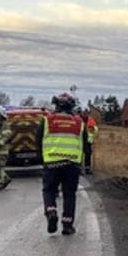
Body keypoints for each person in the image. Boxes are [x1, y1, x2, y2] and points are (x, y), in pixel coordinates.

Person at [40, 93, 86, 235]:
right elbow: (84, 145)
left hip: (52, 163)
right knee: (69, 194)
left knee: (49, 191)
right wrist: (81, 164)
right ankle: (67, 225)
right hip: (71, 164)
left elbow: (38, 141)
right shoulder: (79, 122)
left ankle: (51, 211)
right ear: (72, 106)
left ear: (56, 105)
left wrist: (42, 160)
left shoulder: (47, 120)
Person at [80, 110, 98, 175]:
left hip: (88, 141)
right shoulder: (78, 120)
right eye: (84, 113)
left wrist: (93, 133)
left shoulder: (91, 120)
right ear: (81, 114)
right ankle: (79, 169)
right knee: (80, 155)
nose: (85, 114)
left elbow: (96, 129)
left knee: (88, 155)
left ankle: (87, 169)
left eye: (86, 113)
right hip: (80, 140)